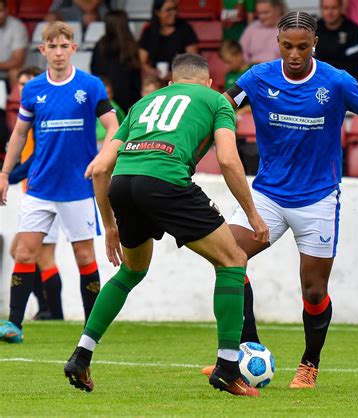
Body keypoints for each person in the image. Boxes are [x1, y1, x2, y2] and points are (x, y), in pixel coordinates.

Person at [200, 11, 358, 388]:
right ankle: (242, 352)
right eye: (287, 46)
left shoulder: (335, 81)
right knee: (227, 258)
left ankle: (309, 365)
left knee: (313, 291)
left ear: (314, 43)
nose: (294, 53)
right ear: (277, 43)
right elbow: (221, 107)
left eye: (302, 46)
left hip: (317, 198)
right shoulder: (258, 77)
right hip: (267, 193)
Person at [63, 53, 269, 397]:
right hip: (167, 181)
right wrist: (252, 214)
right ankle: (228, 367)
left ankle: (81, 355)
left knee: (130, 271)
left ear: (171, 84)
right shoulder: (217, 101)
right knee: (233, 260)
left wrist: (110, 226)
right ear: (209, 83)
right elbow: (229, 160)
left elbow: (100, 169)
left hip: (124, 184)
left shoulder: (144, 102)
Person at [0, 21, 119, 344]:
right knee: (24, 252)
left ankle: (92, 330)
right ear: (42, 50)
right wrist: (5, 173)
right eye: (51, 46)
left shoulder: (90, 85)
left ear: (73, 49)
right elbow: (20, 133)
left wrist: (102, 156)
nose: (58, 52)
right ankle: (13, 324)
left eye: (63, 46)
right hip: (40, 186)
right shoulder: (33, 89)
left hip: (78, 187)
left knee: (84, 257)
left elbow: (113, 125)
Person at [8, 66, 64, 321]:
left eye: (27, 83)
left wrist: (8, 176)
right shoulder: (26, 119)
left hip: (46, 194)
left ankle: (53, 312)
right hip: (34, 194)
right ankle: (47, 309)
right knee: (21, 253)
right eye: (20, 83)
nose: (23, 88)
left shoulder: (41, 119)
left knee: (43, 257)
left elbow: (36, 159)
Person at [90, 10, 141, 113]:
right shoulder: (131, 45)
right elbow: (136, 77)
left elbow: (94, 70)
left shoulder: (100, 45)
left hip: (105, 98)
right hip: (128, 101)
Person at [138, 0, 198, 79]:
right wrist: (152, 71)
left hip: (180, 78)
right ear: (157, 12)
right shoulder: (149, 31)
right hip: (155, 78)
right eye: (168, 10)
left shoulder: (185, 29)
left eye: (174, 9)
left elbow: (192, 59)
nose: (173, 13)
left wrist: (176, 75)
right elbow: (142, 61)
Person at [316, 0, 358, 81]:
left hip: (345, 82)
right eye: (326, 8)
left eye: (334, 8)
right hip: (318, 80)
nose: (330, 12)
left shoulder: (354, 31)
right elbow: (309, 61)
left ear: (341, 8)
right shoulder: (314, 31)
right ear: (321, 9)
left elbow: (353, 65)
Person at [0, 0, 28, 88]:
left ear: (6, 10)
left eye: (0, 11)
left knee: (15, 72)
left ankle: (16, 101)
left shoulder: (17, 27)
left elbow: (17, 61)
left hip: (9, 72)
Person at [96, 76, 126, 143]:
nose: (106, 98)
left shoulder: (115, 108)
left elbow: (123, 127)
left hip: (108, 142)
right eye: (104, 94)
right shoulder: (91, 106)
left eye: (109, 93)